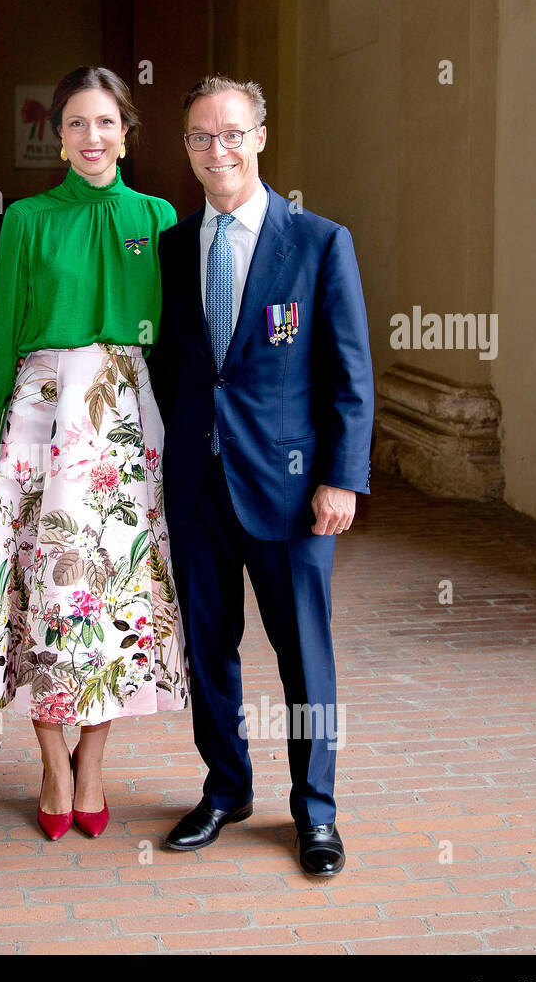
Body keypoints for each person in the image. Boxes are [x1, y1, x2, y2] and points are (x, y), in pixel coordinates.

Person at [0, 66, 189, 841]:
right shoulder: (24, 219)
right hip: (40, 419)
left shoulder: (158, 216)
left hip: (125, 422)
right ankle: (53, 763)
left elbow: (182, 342)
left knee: (114, 598)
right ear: (57, 135)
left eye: (107, 123)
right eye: (78, 123)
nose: (93, 137)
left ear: (128, 132)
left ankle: (94, 762)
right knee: (44, 594)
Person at [149, 76, 375, 876]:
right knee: (210, 648)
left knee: (304, 656)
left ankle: (316, 814)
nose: (219, 150)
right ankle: (225, 789)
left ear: (260, 136)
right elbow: (173, 364)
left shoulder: (318, 242)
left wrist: (341, 478)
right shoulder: (176, 246)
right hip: (199, 486)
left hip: (290, 491)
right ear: (187, 148)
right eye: (202, 137)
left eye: (233, 133)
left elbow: (349, 374)